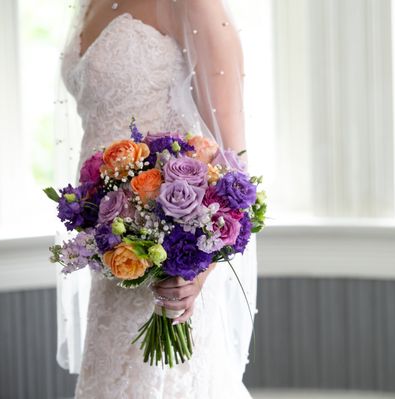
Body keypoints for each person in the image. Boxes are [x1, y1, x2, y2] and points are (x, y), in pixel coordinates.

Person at [57, 0, 257, 397]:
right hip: (109, 252)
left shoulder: (192, 5)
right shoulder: (86, 5)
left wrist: (198, 269)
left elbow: (237, 172)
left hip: (171, 264)